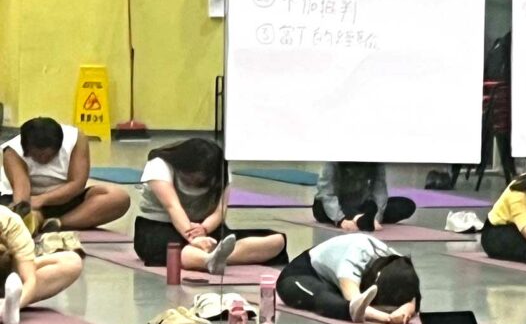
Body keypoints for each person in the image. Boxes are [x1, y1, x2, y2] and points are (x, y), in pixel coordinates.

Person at [133, 138, 285, 276]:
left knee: (277, 241)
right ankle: (207, 259)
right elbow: (173, 206)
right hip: (159, 226)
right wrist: (193, 237)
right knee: (176, 250)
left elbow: (220, 211)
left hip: (204, 227)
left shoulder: (220, 173)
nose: (198, 180)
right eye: (194, 175)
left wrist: (205, 229)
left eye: (203, 177)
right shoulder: (159, 165)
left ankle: (215, 256)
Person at [4, 117, 127, 233]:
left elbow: (77, 184)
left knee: (119, 197)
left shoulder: (76, 139)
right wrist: (23, 211)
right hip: (29, 201)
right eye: (37, 155)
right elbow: (21, 191)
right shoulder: (12, 151)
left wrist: (42, 200)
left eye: (48, 155)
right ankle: (36, 221)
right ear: (27, 149)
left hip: (66, 199)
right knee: (16, 216)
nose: (43, 159)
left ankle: (58, 223)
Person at [275, 234, 422, 324]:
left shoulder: (399, 263)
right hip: (303, 274)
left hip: (334, 280)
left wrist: (407, 308)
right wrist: (386, 317)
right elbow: (356, 303)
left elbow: (413, 294)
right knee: (324, 297)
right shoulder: (354, 258)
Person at [0, 199, 84, 324]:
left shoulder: (10, 222)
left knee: (72, 262)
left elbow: (29, 279)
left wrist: (14, 305)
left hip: (5, 273)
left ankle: (6, 305)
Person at [312, 163, 416, 233]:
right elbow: (326, 193)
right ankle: (359, 218)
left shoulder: (376, 162)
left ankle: (362, 218)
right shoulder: (332, 163)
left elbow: (379, 188)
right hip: (333, 205)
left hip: (360, 204)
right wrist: (340, 219)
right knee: (321, 207)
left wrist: (377, 217)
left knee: (406, 205)